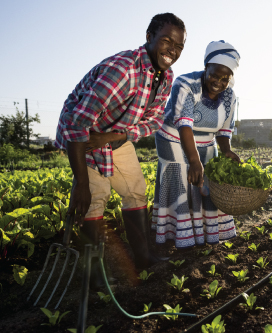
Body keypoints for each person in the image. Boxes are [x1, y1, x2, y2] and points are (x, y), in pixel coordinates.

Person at [55, 13, 186, 287]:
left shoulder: (166, 76)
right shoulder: (123, 69)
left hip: (113, 137)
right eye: (166, 41)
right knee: (93, 197)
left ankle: (143, 257)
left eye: (179, 47)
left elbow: (153, 121)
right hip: (85, 137)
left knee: (136, 189)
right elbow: (77, 123)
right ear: (149, 38)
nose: (172, 51)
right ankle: (94, 276)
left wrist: (114, 136)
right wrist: (80, 181)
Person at [152, 40, 240, 249]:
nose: (218, 81)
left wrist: (226, 151)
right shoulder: (185, 84)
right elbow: (184, 124)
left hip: (206, 141)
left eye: (225, 78)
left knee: (206, 185)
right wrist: (193, 160)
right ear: (205, 67)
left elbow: (224, 130)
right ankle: (174, 238)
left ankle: (202, 237)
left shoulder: (230, 96)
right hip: (173, 137)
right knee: (180, 180)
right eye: (214, 75)